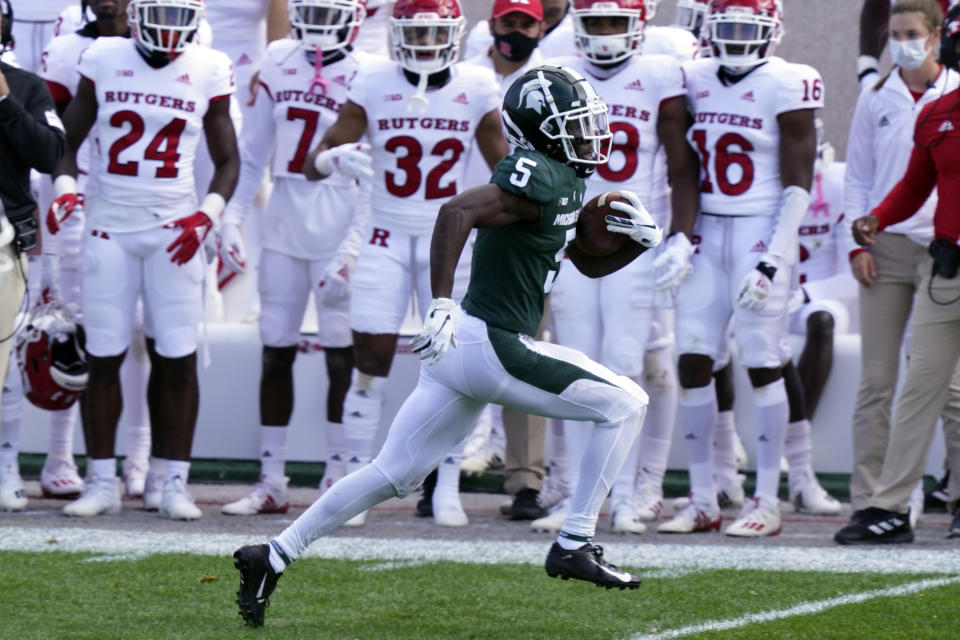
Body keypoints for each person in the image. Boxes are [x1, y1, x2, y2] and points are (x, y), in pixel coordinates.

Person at [233, 64, 662, 627]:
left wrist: (640, 244)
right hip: (491, 343)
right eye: (576, 126)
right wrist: (438, 301)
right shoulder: (538, 173)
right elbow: (455, 210)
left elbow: (578, 258)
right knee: (627, 403)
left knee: (394, 472)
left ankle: (273, 554)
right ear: (544, 132)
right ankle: (574, 542)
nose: (591, 137)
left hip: (464, 351)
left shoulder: (563, 180)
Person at [298, 0, 508, 528]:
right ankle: (353, 490)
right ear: (394, 34)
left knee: (458, 365)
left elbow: (505, 170)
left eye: (434, 32)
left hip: (447, 238)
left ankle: (448, 486)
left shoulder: (477, 84)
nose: (423, 42)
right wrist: (331, 158)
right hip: (384, 236)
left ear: (456, 34)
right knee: (368, 362)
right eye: (414, 32)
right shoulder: (372, 80)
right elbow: (312, 162)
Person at [48, 0, 239, 519]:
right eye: (162, 13)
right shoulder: (104, 55)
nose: (170, 28)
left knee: (176, 356)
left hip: (173, 230)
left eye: (182, 16)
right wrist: (65, 187)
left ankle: (172, 480)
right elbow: (68, 140)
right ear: (137, 14)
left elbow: (228, 160)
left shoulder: (208, 66)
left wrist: (208, 216)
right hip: (108, 227)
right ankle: (103, 480)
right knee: (103, 355)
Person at [654, 0, 821, 537]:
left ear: (771, 33)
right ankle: (703, 498)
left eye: (746, 29)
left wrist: (772, 260)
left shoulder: (789, 81)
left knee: (761, 360)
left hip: (760, 228)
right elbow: (682, 166)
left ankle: (766, 500)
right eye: (725, 27)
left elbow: (799, 184)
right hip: (709, 229)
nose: (734, 39)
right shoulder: (693, 76)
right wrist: (680, 237)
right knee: (693, 358)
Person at [531, 0, 695, 537]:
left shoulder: (660, 73)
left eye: (614, 22)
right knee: (576, 370)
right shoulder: (560, 70)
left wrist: (681, 237)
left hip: (633, 240)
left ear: (639, 25)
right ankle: (585, 497)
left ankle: (630, 493)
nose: (604, 34)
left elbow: (679, 165)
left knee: (627, 368)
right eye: (595, 22)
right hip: (574, 237)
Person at [219, 0, 372, 516]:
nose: (320, 26)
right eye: (313, 12)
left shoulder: (371, 71)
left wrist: (353, 247)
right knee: (274, 348)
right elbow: (253, 149)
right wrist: (231, 217)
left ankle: (338, 477)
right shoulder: (279, 58)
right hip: (284, 218)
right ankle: (271, 479)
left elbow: (377, 177)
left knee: (340, 352)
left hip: (340, 220)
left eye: (332, 14)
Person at [836, 4, 960, 545]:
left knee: (952, 390)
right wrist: (868, 227)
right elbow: (898, 183)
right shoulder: (925, 110)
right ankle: (882, 504)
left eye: (916, 35)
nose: (906, 44)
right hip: (923, 258)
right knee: (901, 385)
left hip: (936, 254)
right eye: (898, 35)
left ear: (937, 39)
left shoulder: (944, 96)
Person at [456, 0, 555, 523]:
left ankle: (526, 480)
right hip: (463, 223)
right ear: (491, 25)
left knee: (524, 355)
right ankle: (438, 476)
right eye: (508, 21)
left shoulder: (554, 81)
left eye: (526, 23)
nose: (516, 32)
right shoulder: (464, 78)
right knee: (450, 351)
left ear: (542, 27)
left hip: (524, 233)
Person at [0, 7, 65, 511]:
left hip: (3, 241)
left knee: (1, 363)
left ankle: (5, 468)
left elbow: (49, 154)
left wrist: (5, 104)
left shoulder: (25, 86)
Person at [465, 0, 576, 61]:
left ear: (542, 29)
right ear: (491, 27)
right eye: (508, 24)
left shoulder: (578, 33)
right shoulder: (482, 33)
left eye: (527, 25)